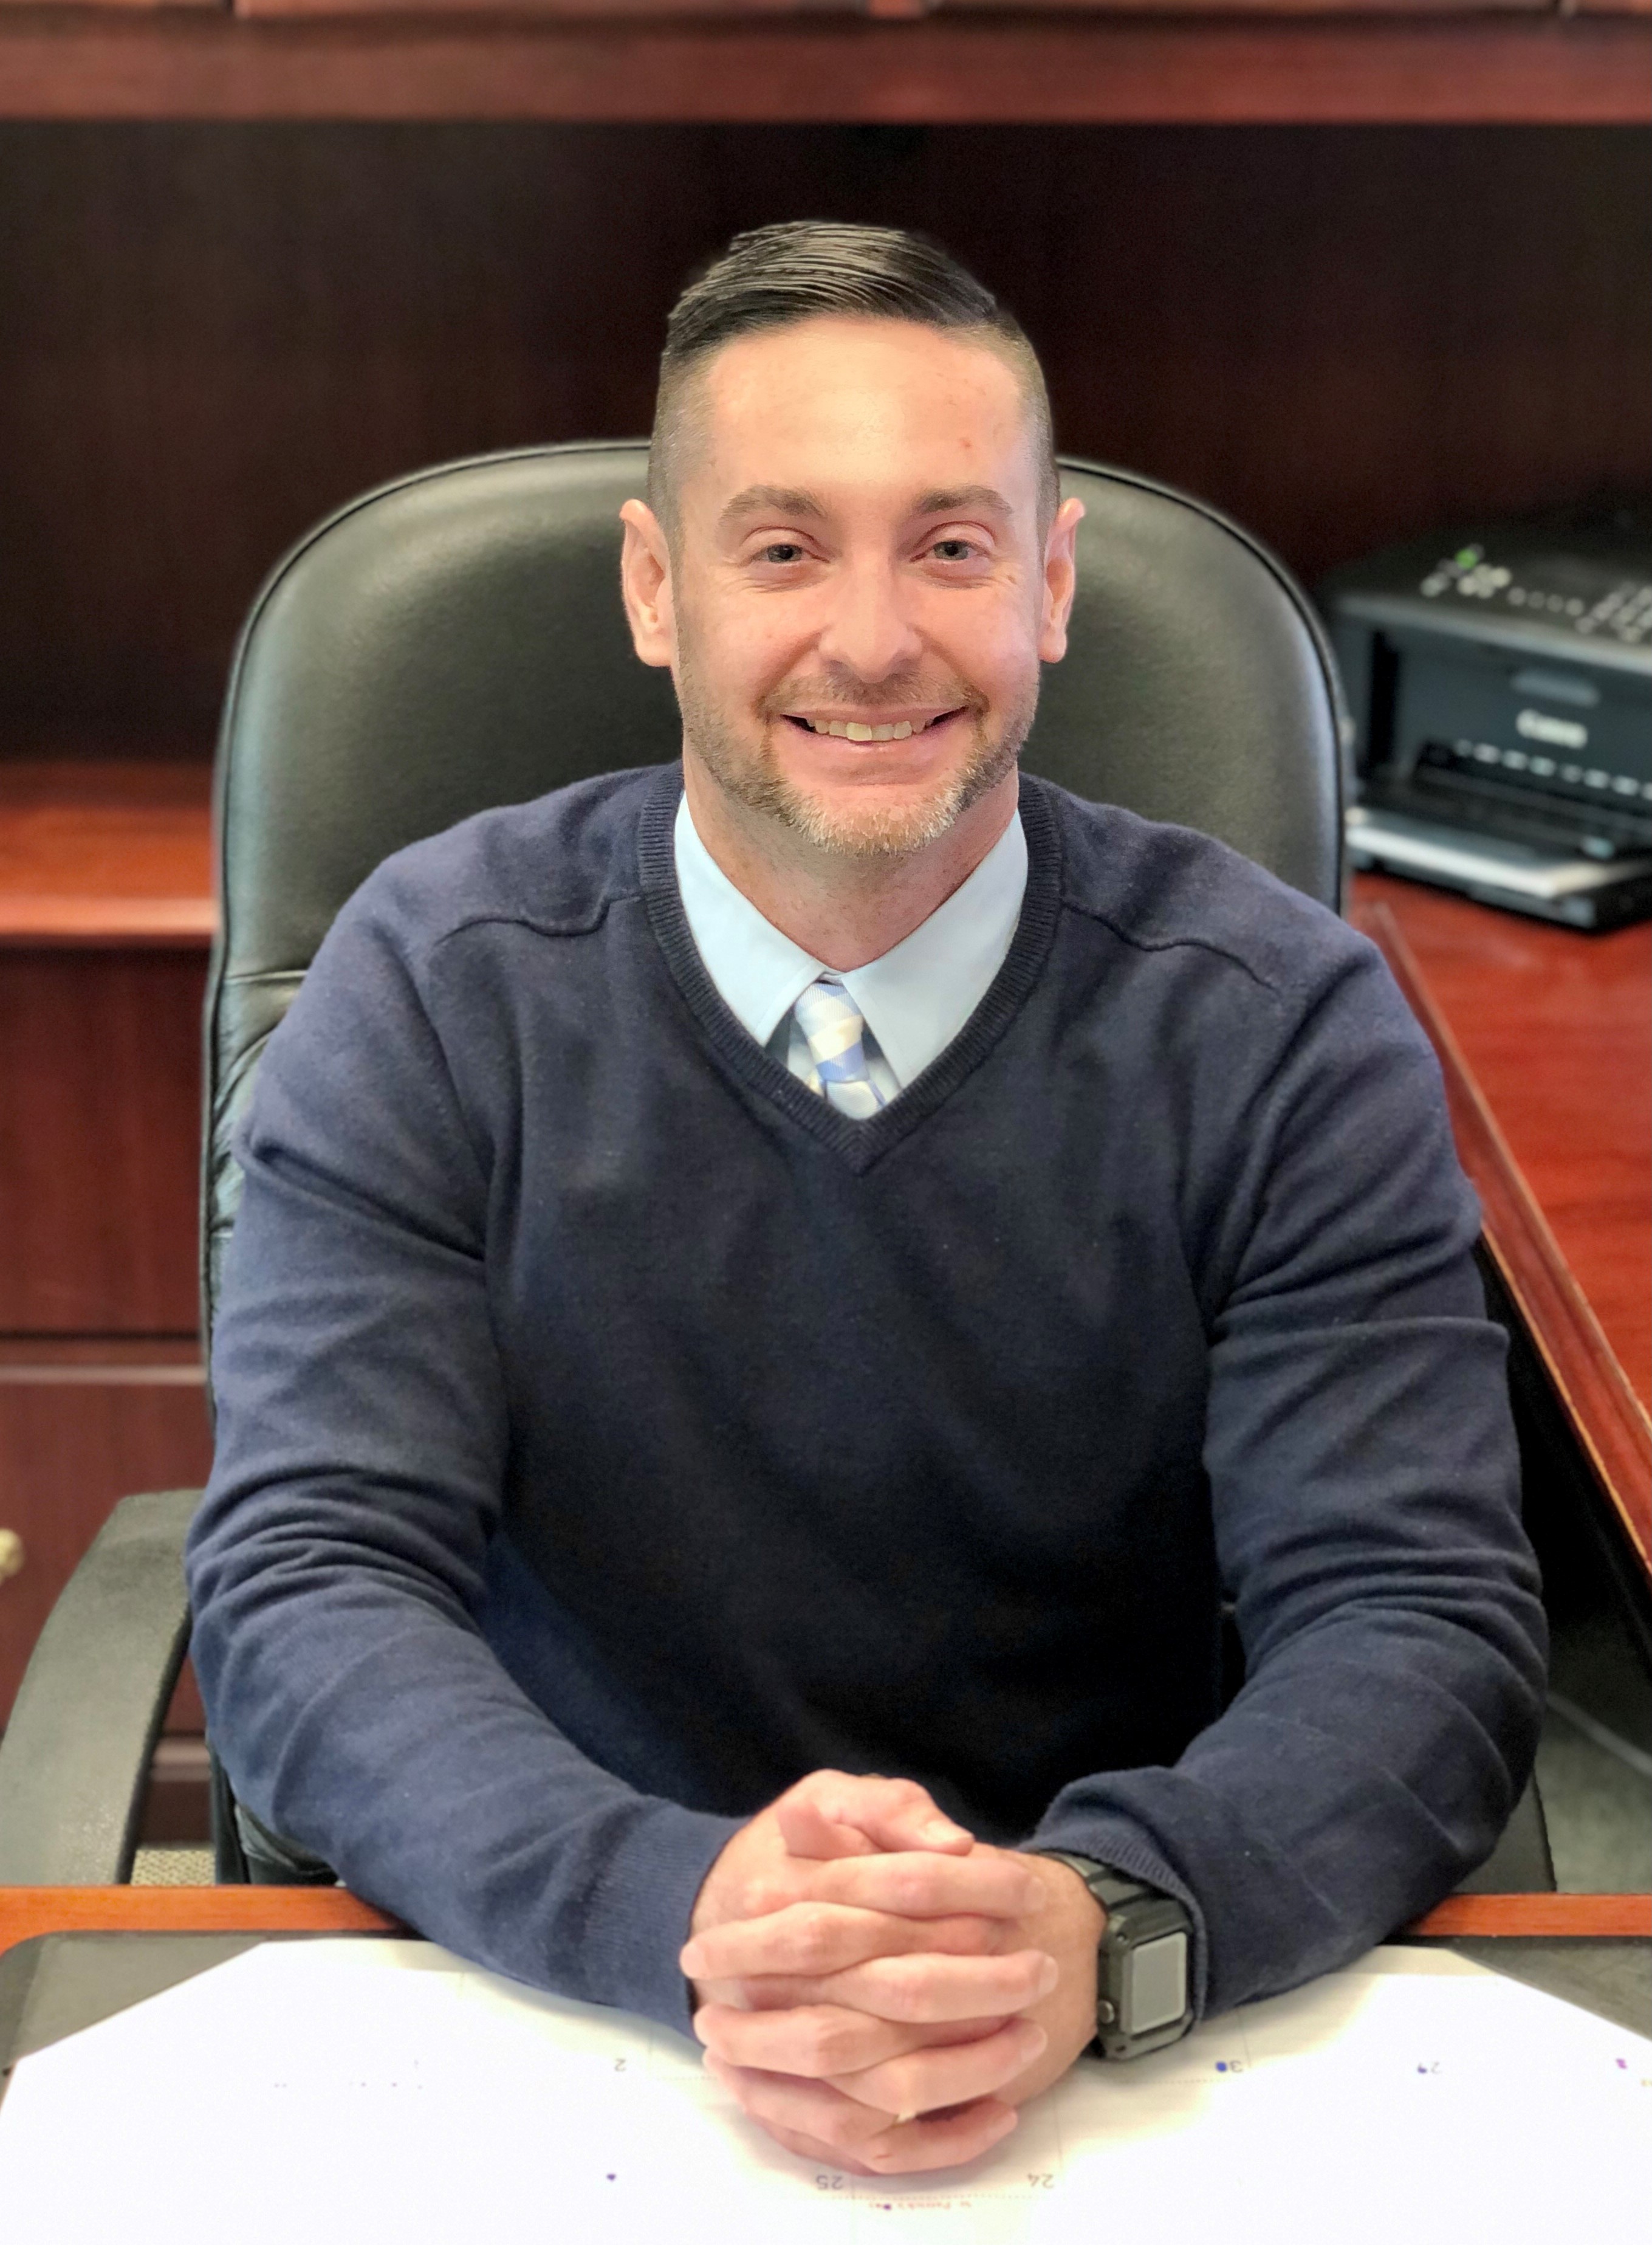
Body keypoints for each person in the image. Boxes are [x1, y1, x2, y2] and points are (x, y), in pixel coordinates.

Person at [185, 221, 1546, 2179]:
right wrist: (690, 1910)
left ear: (1054, 582)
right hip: (567, 2023)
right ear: (658, 591)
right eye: (783, 547)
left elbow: (1411, 1618)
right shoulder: (433, 984)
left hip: (1123, 2053)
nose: (878, 635)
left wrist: (1102, 1926)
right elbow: (311, 1584)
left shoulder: (1280, 1026)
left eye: (954, 544)